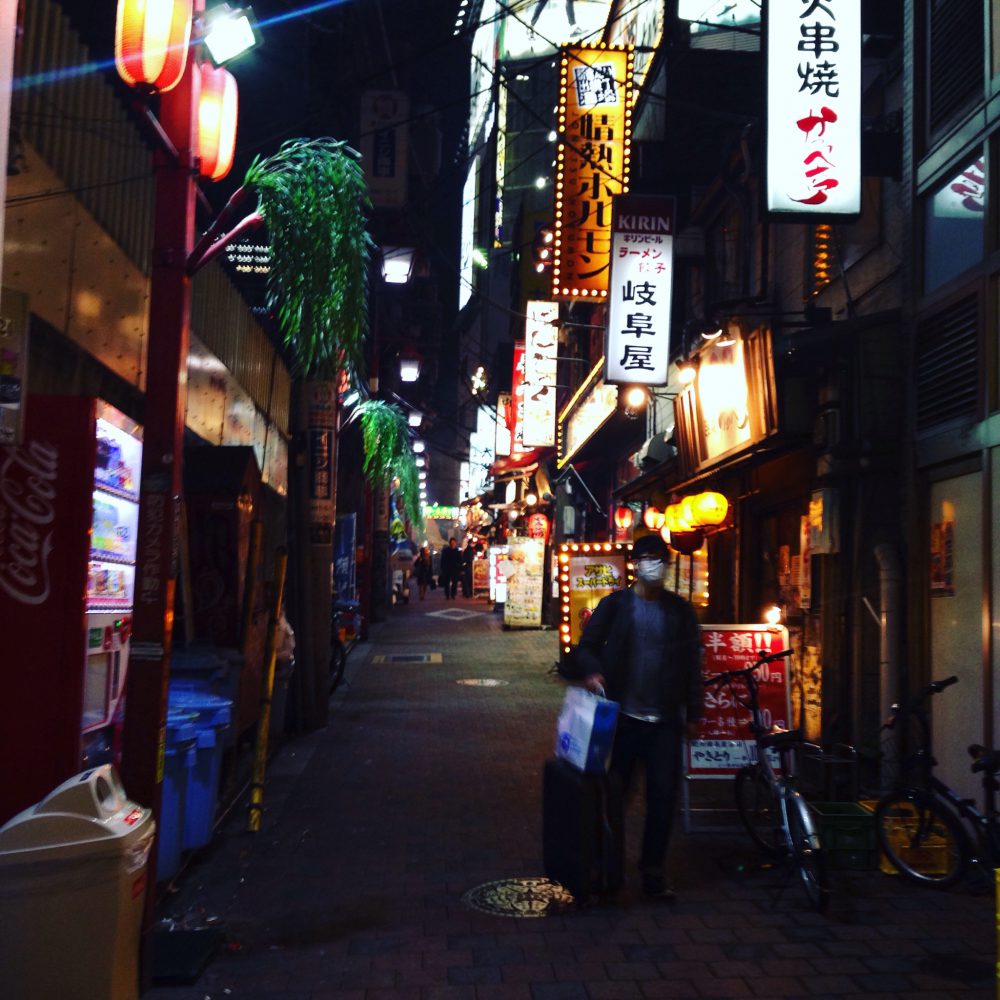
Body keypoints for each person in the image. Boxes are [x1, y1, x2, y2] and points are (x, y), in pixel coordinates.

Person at [573, 532, 703, 900]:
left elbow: (693, 665)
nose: (654, 564)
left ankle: (653, 871)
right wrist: (594, 671)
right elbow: (585, 648)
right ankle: (609, 870)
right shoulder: (615, 606)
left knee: (663, 798)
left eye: (660, 558)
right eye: (647, 558)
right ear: (635, 564)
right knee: (615, 796)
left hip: (664, 721)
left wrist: (695, 712)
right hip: (623, 720)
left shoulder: (680, 611)